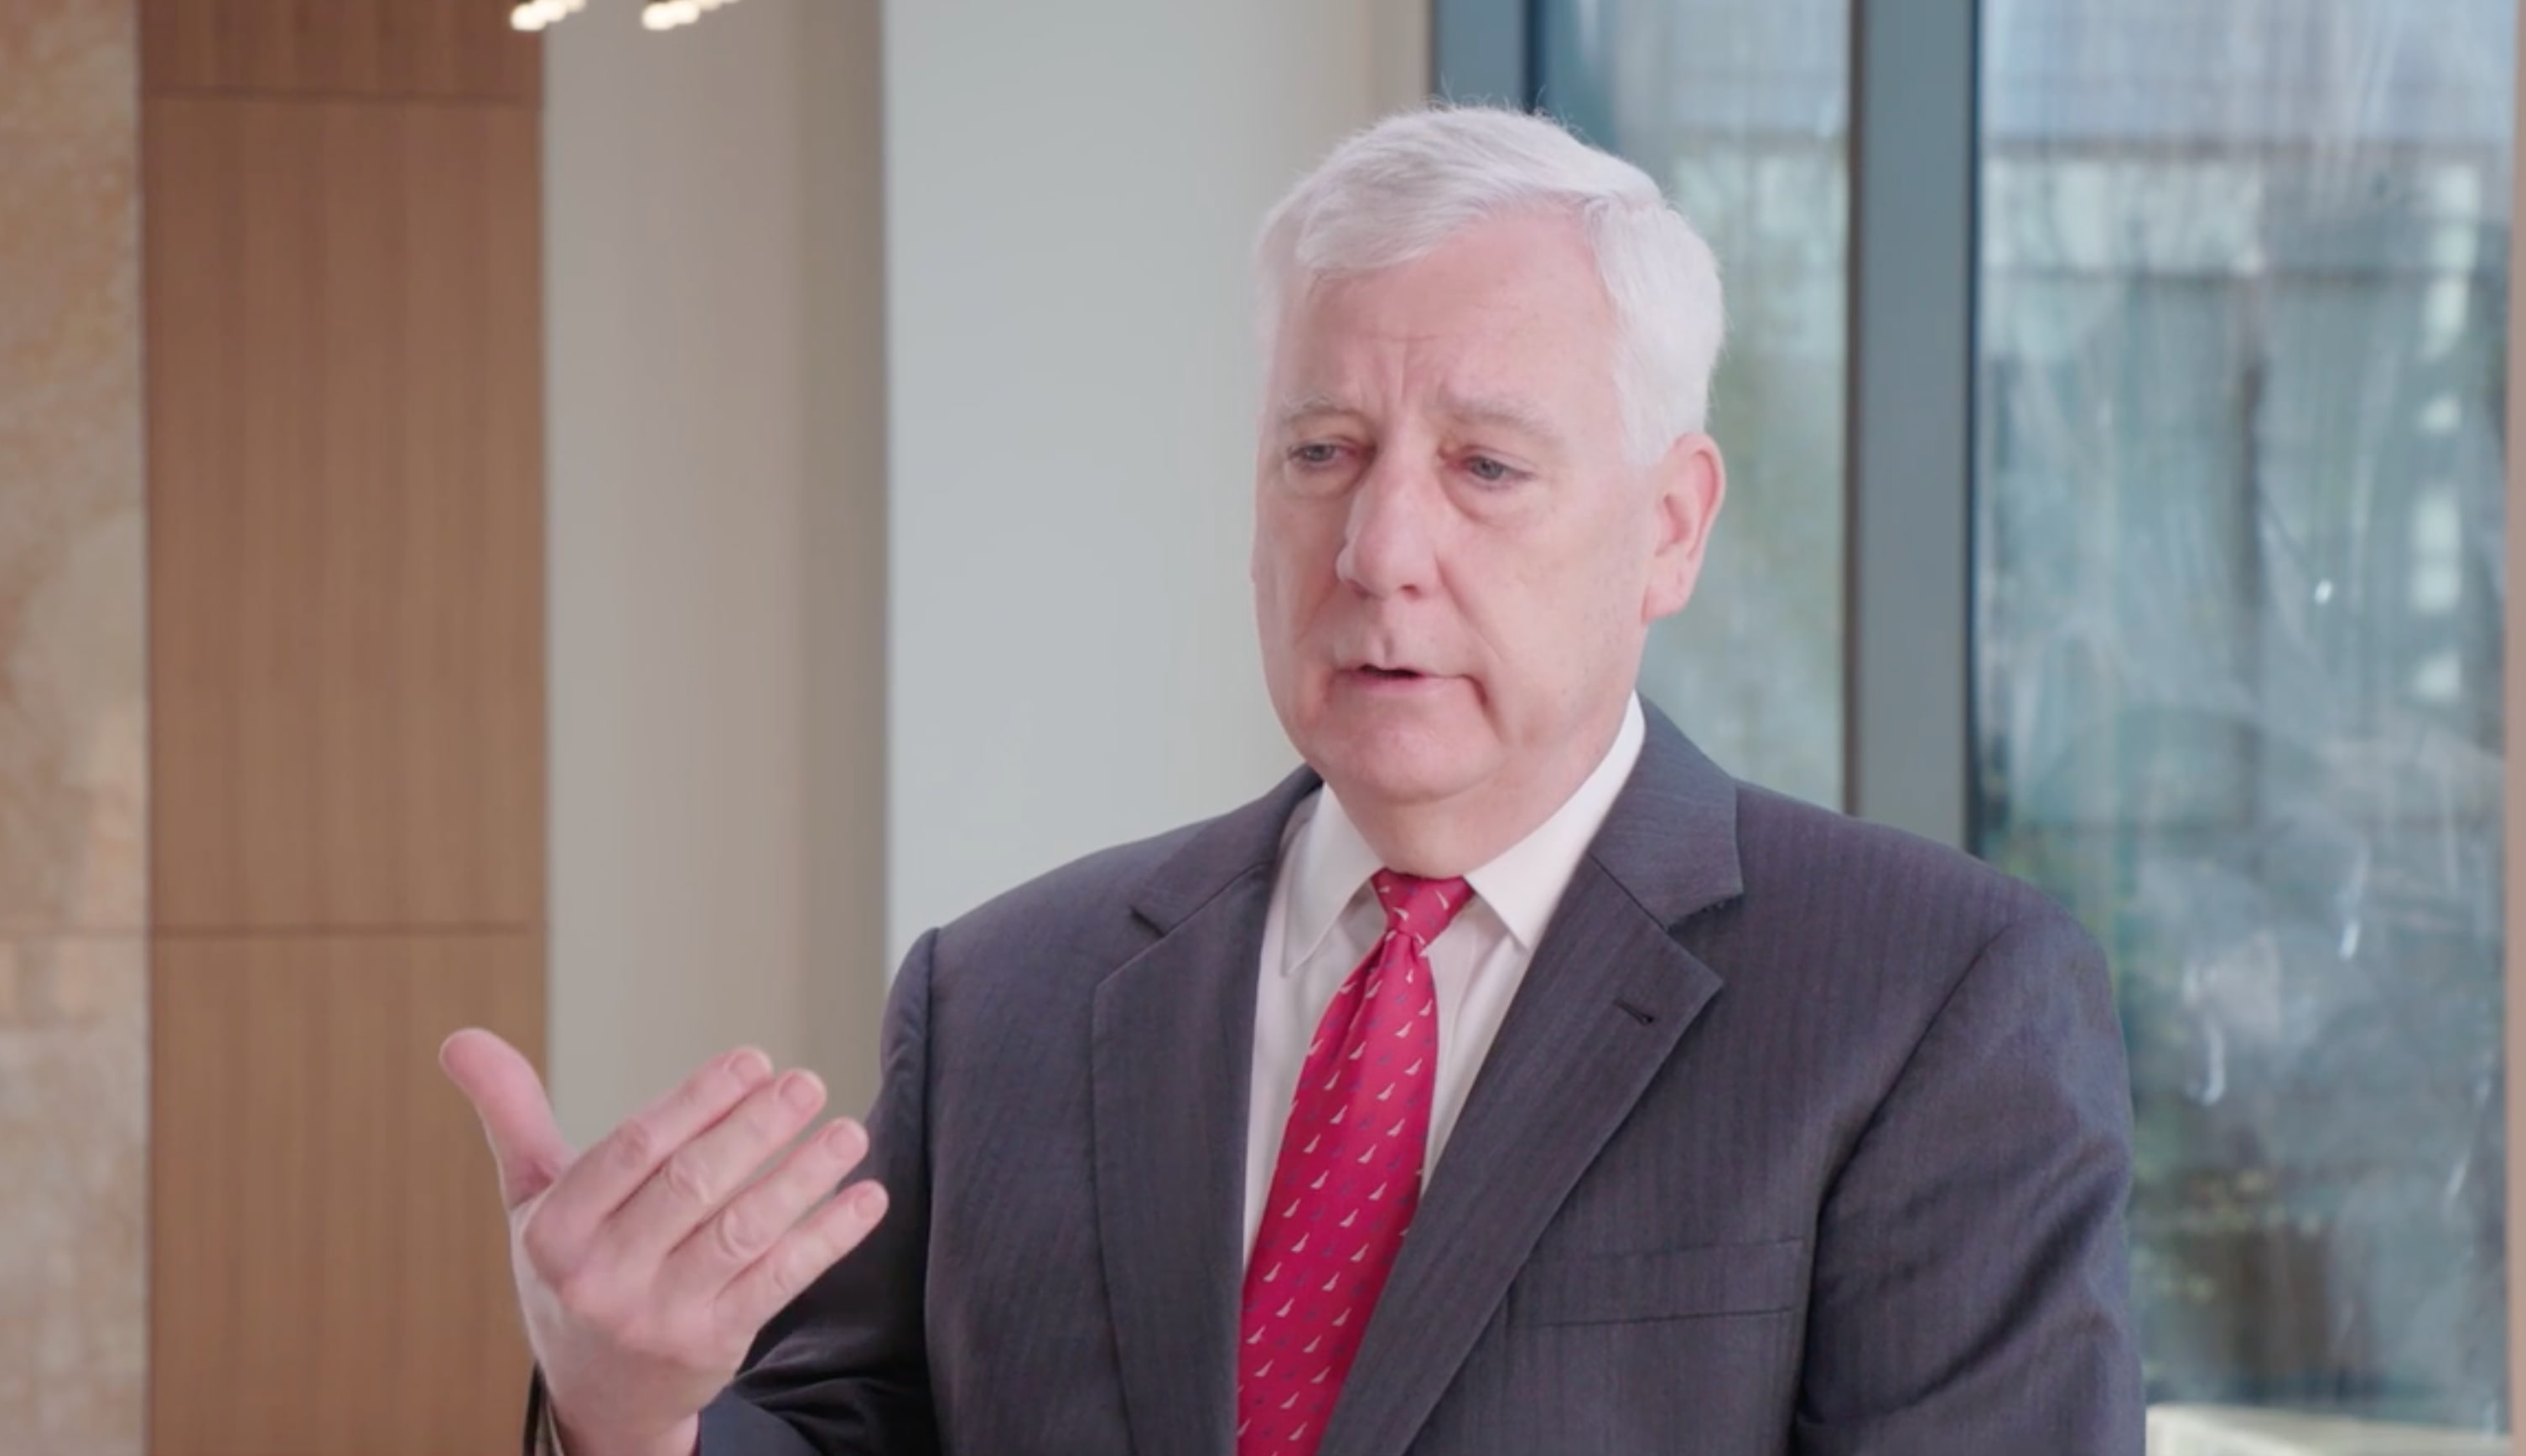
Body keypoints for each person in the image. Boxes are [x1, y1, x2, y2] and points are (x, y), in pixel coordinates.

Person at [443, 105, 2144, 1456]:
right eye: (1319, 454)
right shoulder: (1003, 1002)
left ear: (1670, 524)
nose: (1379, 546)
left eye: (1484, 466)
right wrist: (629, 1410)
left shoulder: (1927, 999)